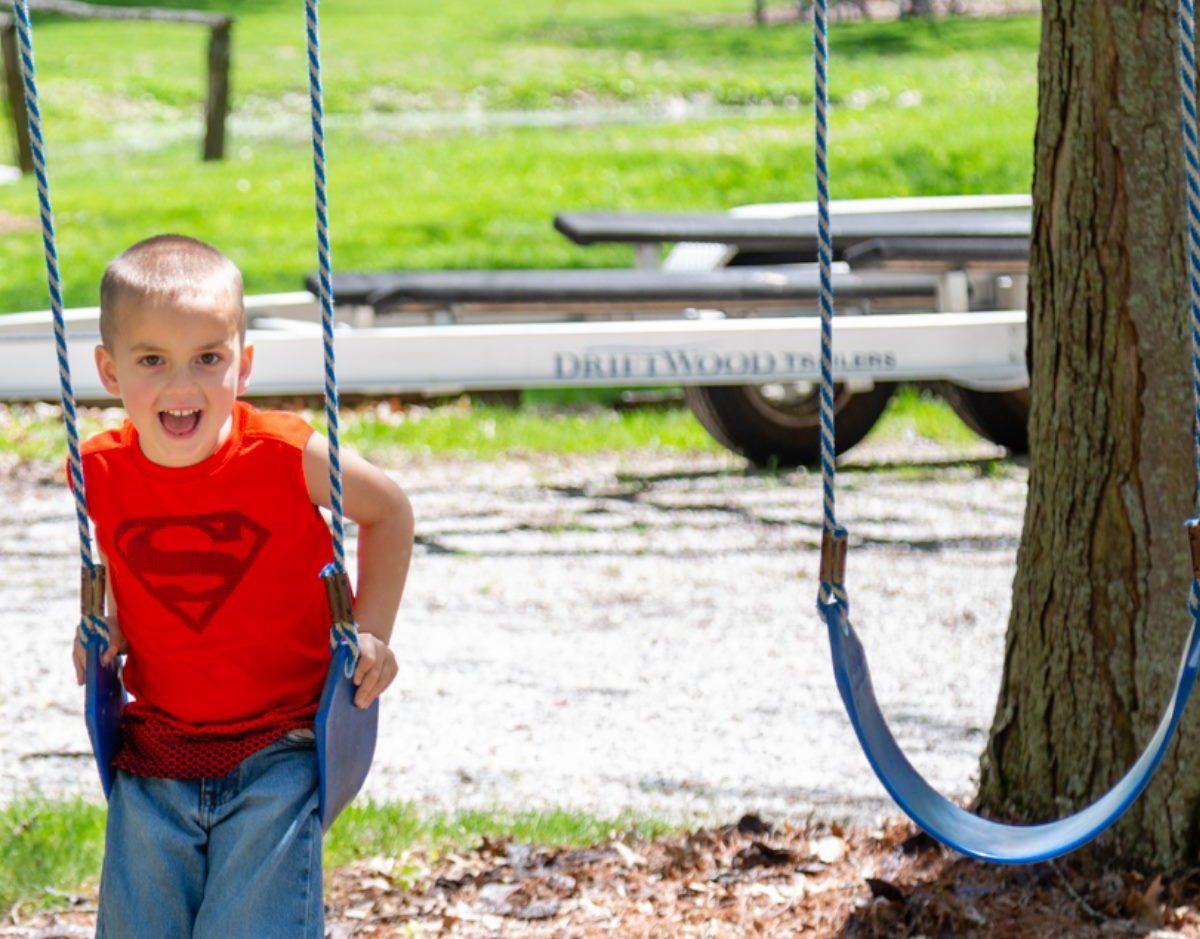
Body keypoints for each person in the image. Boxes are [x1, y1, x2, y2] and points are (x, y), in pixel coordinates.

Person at [71, 234, 415, 938]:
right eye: (152, 360)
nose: (182, 385)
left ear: (244, 363)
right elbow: (133, 568)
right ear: (109, 370)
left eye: (208, 357)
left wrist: (372, 633)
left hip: (280, 748)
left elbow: (389, 510)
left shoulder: (285, 456)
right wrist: (113, 633)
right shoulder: (97, 471)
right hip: (155, 750)